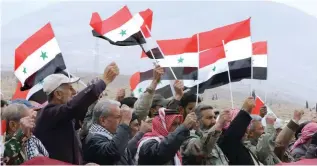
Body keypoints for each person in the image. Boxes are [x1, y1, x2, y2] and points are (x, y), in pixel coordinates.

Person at [33, 62, 119, 164]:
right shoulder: (49, 114)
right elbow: (74, 106)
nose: (74, 91)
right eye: (70, 88)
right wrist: (104, 81)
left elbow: (79, 107)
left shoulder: (60, 116)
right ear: (58, 94)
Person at [83, 100, 135, 165]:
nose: (121, 120)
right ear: (103, 120)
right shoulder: (93, 139)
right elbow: (112, 153)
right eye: (118, 117)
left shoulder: (113, 135)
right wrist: (124, 123)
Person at [218, 97, 263, 165]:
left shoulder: (241, 145)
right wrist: (246, 110)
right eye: (244, 127)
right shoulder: (227, 143)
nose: (247, 131)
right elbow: (231, 136)